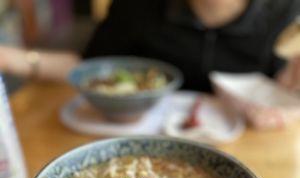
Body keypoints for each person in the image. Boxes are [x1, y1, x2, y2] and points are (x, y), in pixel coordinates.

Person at [0, 0, 300, 91]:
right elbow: (91, 65)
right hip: (143, 138)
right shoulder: (138, 6)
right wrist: (19, 60)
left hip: (252, 143)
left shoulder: (289, 13)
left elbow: (287, 91)